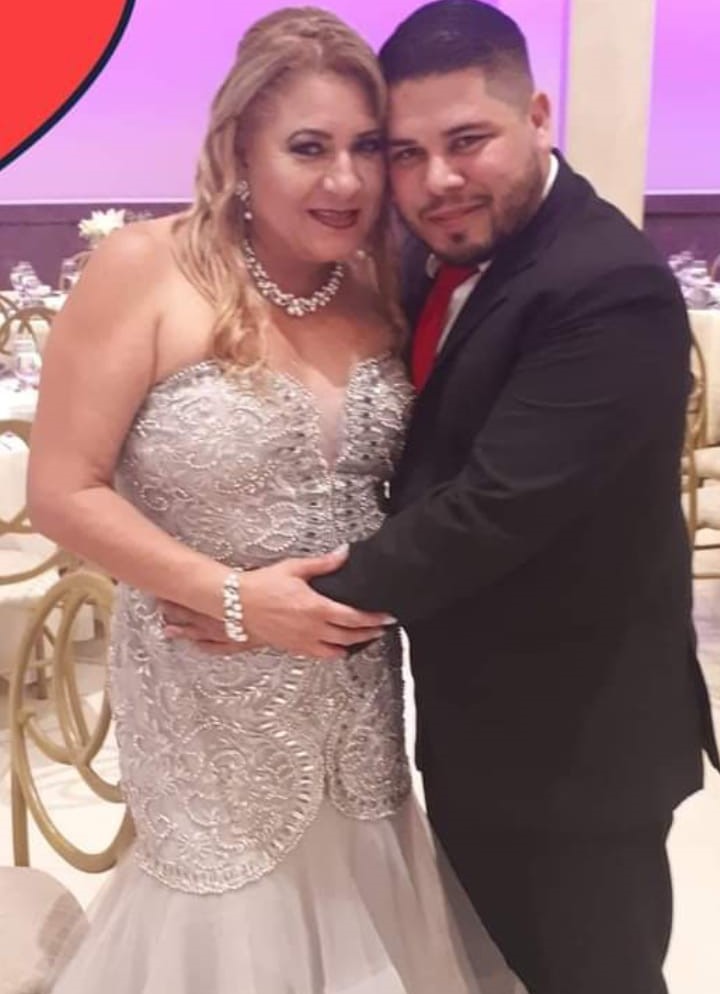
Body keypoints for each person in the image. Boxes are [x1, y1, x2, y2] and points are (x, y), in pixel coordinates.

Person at [164, 3, 719, 994]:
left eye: (468, 141)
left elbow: (493, 510)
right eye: (406, 154)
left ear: (537, 116)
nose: (436, 181)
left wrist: (269, 604)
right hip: (472, 728)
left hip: (581, 748)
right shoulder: (434, 256)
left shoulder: (605, 281)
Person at [28, 8, 523, 993]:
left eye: (366, 148)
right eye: (308, 148)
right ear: (240, 152)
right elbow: (61, 489)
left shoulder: (385, 289)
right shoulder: (146, 270)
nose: (345, 180)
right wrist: (232, 596)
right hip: (205, 694)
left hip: (359, 698)